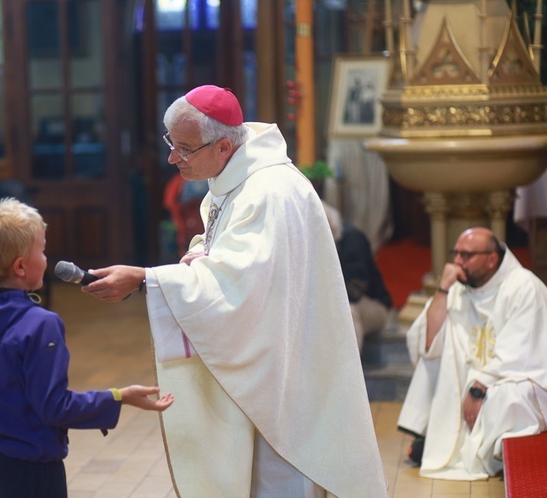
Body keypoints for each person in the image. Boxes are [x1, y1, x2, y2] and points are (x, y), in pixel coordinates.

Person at [81, 85, 387, 497]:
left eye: (185, 149)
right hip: (264, 354)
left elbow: (239, 287)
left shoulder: (267, 192)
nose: (173, 158)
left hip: (281, 371)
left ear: (224, 146)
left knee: (278, 478)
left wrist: (144, 278)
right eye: (172, 143)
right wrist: (197, 259)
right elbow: (224, 256)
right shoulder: (233, 180)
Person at [0, 198, 174, 497]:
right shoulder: (40, 324)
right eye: (42, 251)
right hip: (32, 470)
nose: (46, 259)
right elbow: (54, 408)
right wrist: (120, 397)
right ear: (20, 266)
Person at [397, 227, 547, 480]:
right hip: (476, 379)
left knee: (509, 397)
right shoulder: (458, 288)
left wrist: (480, 387)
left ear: (491, 259)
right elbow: (428, 342)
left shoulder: (524, 287)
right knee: (437, 355)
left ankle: (490, 457)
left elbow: (522, 352)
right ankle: (443, 443)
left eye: (466, 255)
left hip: (512, 377)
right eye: (455, 253)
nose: (456, 261)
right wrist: (443, 288)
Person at [323, 201, 393, 349]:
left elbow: (354, 290)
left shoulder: (352, 239)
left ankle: (349, 370)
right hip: (330, 303)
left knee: (347, 312)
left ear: (328, 224)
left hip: (373, 304)